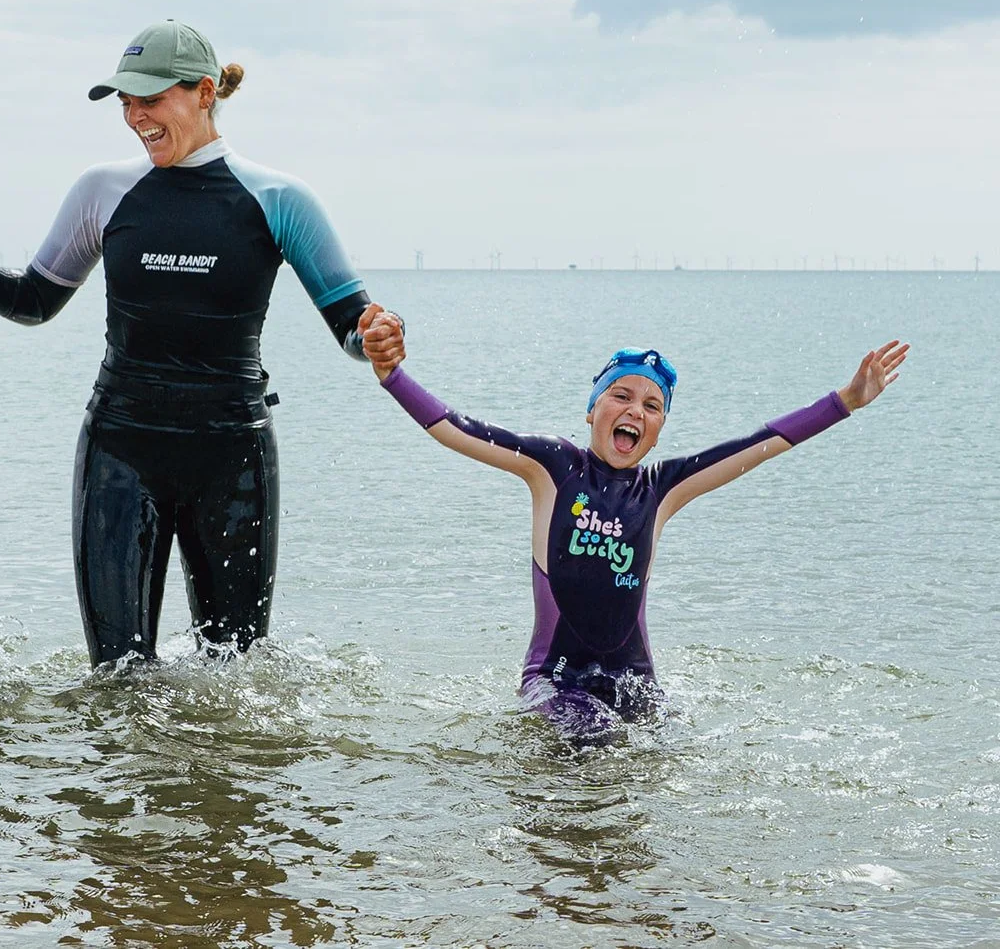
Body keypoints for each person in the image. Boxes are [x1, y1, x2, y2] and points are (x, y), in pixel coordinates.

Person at [0, 19, 401, 666]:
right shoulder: (103, 190)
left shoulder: (279, 200)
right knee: (117, 678)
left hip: (232, 459)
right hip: (120, 452)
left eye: (149, 99)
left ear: (204, 92)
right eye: (125, 102)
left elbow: (351, 323)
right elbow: (37, 302)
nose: (135, 116)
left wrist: (375, 336)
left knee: (234, 678)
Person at [359, 305, 908, 742]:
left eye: (652, 405)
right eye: (620, 396)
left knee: (672, 759)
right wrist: (391, 375)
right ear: (593, 409)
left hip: (636, 681)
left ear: (660, 426)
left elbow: (758, 446)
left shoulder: (662, 490)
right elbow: (454, 428)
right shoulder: (551, 467)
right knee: (594, 741)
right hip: (555, 681)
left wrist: (846, 402)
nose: (634, 411)